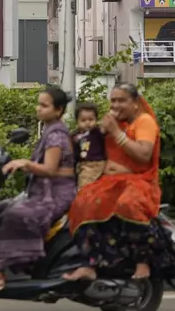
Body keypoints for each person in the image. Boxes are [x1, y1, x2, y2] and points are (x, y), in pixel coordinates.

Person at [64, 83, 173, 282]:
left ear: (135, 103)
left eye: (121, 100)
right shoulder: (113, 122)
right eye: (113, 100)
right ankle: (91, 264)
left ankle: (143, 262)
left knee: (128, 204)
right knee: (82, 204)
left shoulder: (144, 121)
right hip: (111, 181)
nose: (116, 105)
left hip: (140, 181)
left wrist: (116, 133)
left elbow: (144, 154)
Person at [0, 86, 76, 291]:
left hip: (55, 194)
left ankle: (1, 272)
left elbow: (50, 170)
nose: (38, 109)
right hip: (40, 191)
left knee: (16, 215)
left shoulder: (57, 136)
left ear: (58, 110)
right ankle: (0, 264)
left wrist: (25, 163)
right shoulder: (48, 130)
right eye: (39, 104)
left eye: (44, 106)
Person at [73, 103, 106, 189]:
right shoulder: (76, 136)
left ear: (96, 120)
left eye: (91, 119)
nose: (88, 123)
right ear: (77, 122)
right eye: (83, 120)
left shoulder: (97, 132)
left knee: (85, 186)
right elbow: (75, 152)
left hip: (96, 163)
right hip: (82, 164)